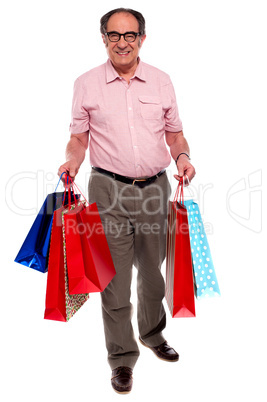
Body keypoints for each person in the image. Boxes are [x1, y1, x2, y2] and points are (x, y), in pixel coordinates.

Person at [58, 8, 195, 394]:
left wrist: (182, 157)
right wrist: (71, 159)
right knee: (114, 282)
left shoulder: (162, 82)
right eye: (114, 35)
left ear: (142, 39)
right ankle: (121, 358)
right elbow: (78, 137)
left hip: (155, 190)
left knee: (153, 276)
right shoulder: (86, 84)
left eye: (130, 35)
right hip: (107, 190)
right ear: (103, 38)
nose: (122, 42)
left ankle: (153, 334)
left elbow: (176, 134)